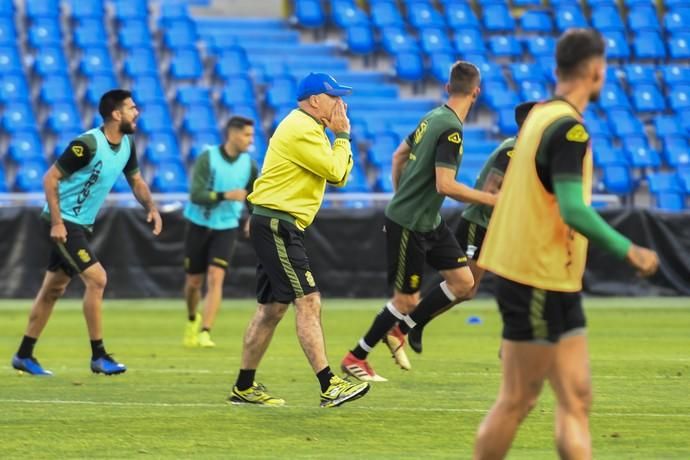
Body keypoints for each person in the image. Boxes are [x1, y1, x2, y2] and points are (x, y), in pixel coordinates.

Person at [473, 29, 659, 459]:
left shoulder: (541, 114)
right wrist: (630, 250)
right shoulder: (568, 130)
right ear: (597, 70)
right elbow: (573, 209)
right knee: (518, 399)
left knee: (577, 397)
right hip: (534, 277)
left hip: (555, 278)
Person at [341, 61, 498, 381]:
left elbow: (399, 155)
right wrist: (492, 199)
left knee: (464, 282)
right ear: (477, 93)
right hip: (410, 224)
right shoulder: (452, 129)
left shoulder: (433, 117)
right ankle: (356, 356)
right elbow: (446, 185)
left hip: (428, 220)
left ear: (447, 88)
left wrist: (403, 193)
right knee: (407, 298)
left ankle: (402, 329)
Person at [228, 72, 370, 408]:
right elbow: (337, 173)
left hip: (276, 221)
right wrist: (344, 135)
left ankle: (244, 387)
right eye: (334, 97)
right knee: (308, 301)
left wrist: (340, 138)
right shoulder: (303, 128)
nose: (340, 104)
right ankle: (328, 384)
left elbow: (341, 175)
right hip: (278, 222)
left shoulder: (312, 129)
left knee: (271, 309)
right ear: (315, 100)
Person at [11, 89, 162, 376]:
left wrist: (151, 207)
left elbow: (137, 180)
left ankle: (24, 354)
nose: (137, 111)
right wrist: (57, 222)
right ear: (116, 114)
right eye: (131, 107)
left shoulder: (127, 144)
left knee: (53, 289)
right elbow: (50, 178)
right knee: (97, 279)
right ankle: (99, 356)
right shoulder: (87, 144)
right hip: (64, 222)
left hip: (79, 223)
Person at [398, 101, 538, 354]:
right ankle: (411, 322)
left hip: (500, 228)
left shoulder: (528, 152)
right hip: (481, 224)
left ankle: (511, 343)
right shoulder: (512, 151)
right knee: (466, 288)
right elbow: (490, 192)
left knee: (513, 283)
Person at [182, 116, 259, 348]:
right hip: (198, 224)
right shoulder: (209, 158)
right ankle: (192, 318)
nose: (250, 140)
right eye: (247, 135)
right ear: (233, 134)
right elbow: (196, 195)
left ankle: (205, 331)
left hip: (226, 226)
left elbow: (253, 198)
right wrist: (225, 195)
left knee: (216, 277)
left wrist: (253, 218)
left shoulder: (250, 165)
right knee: (194, 282)